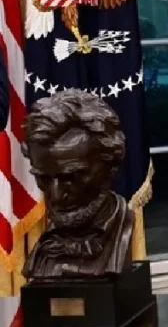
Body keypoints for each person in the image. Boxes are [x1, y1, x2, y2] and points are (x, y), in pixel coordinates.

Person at [21, 90, 134, 280]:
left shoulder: (122, 231)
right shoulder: (45, 247)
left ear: (110, 166)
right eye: (44, 178)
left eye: (71, 177)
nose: (56, 196)